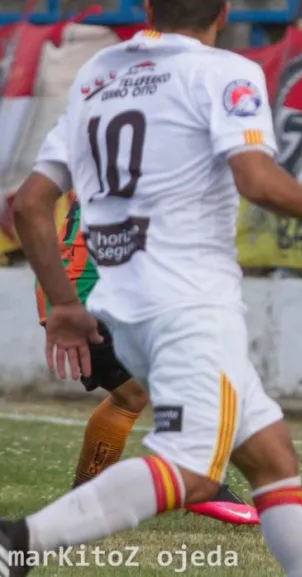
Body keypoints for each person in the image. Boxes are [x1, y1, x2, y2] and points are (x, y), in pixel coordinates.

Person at [3, 0, 302, 577]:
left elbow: (31, 204)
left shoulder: (98, 75)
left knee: (274, 465)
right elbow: (256, 179)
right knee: (193, 471)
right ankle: (16, 543)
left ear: (148, 9)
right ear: (224, 14)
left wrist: (63, 304)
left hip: (124, 310)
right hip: (191, 306)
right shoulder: (225, 72)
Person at [35, 190, 259, 526]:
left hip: (84, 288)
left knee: (133, 394)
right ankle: (196, 482)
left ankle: (85, 500)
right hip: (87, 296)